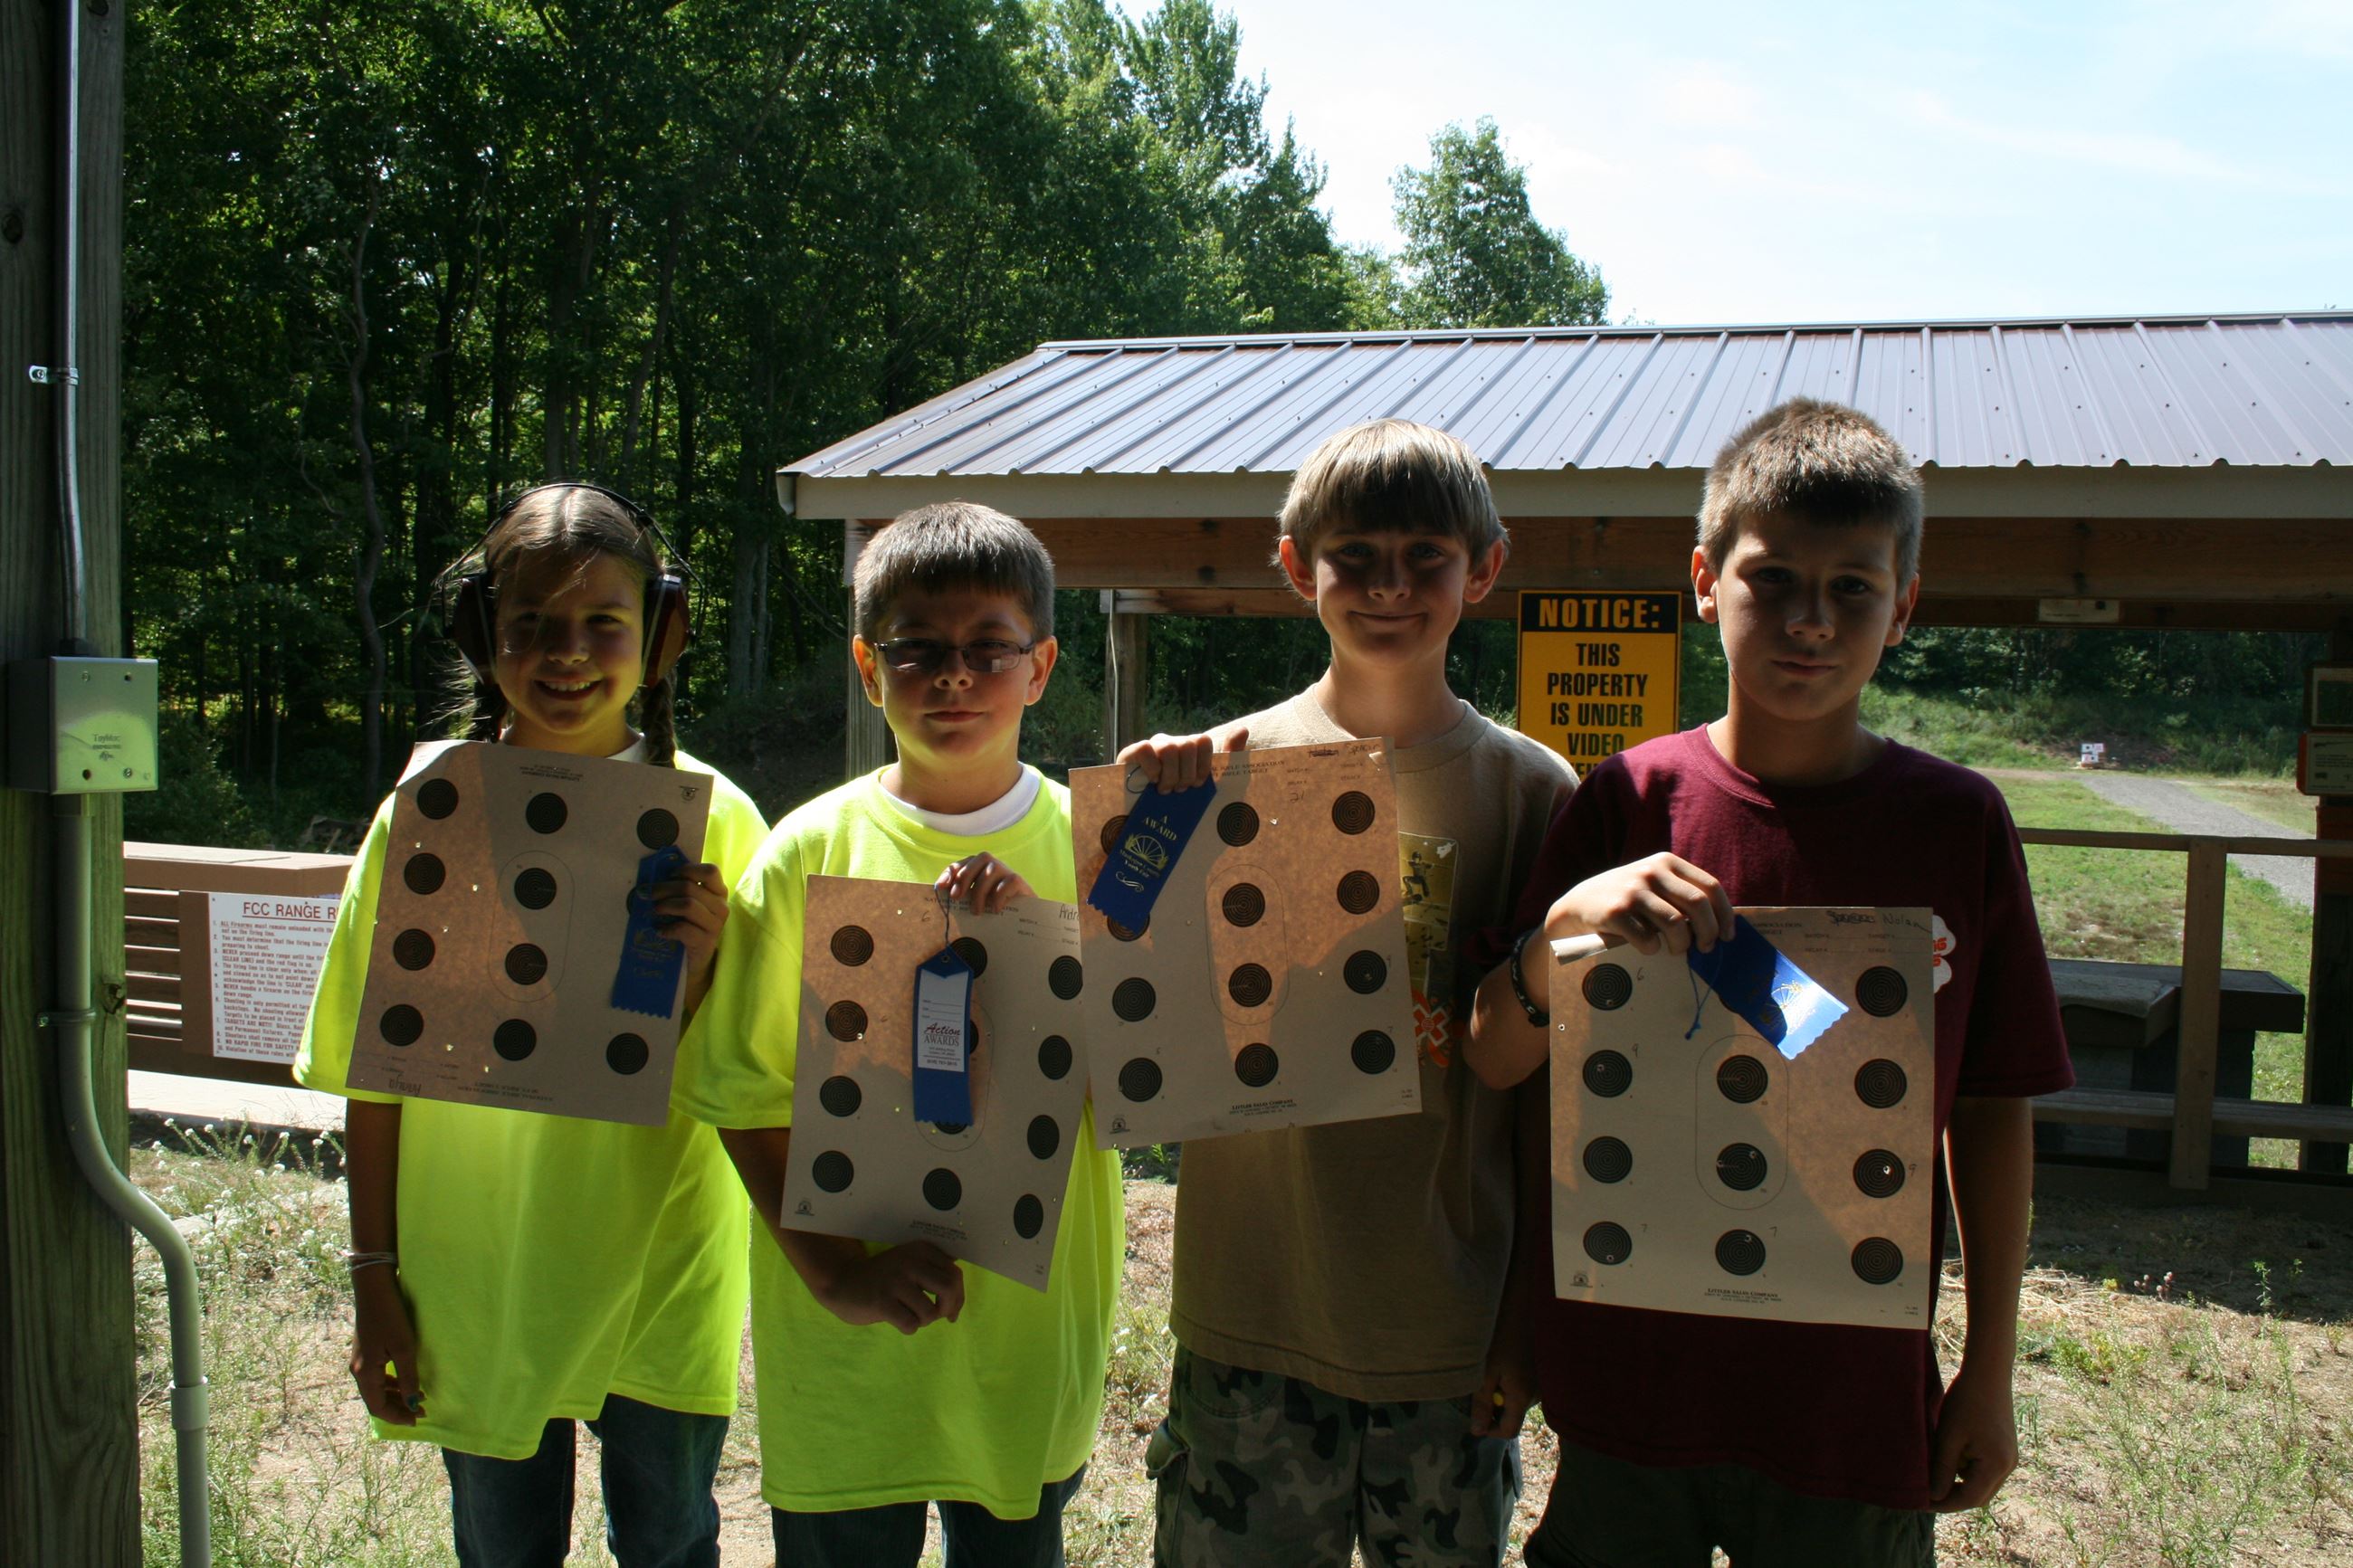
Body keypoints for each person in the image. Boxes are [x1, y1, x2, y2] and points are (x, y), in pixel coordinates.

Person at [1465, 398, 2074, 1567]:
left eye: (1852, 588)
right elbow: (1502, 1062)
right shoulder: (1623, 804)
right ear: (1705, 581)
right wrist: (1563, 929)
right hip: (1629, 1384)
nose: (1809, 619)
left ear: (1904, 605)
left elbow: (1992, 1104)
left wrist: (1987, 1369)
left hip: (1846, 1406)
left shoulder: (1957, 825)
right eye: (1774, 578)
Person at [1126, 419, 1576, 1567]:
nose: (1388, 585)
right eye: (1355, 555)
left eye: (1425, 556)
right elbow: (1132, 1009)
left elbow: (1551, 1099)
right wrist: (1144, 828)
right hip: (1253, 1311)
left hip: (1445, 1328)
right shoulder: (1213, 769)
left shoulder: (1533, 791)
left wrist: (1522, 1320)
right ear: (1295, 566)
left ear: (1484, 567)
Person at [296, 482, 769, 1568]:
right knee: (501, 1547)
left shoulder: (721, 821)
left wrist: (701, 965)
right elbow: (371, 1075)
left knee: (669, 1539)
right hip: (477, 1270)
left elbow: (743, 1071)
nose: (567, 652)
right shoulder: (427, 813)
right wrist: (372, 1276)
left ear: (661, 632)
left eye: (603, 621)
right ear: (482, 631)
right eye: (533, 623)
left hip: (660, 1265)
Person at [674, 500, 1124, 1567]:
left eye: (988, 648)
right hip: (845, 1354)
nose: (954, 675)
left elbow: (1140, 1080)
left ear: (1041, 665)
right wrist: (837, 1275)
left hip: (1023, 1340)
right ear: (868, 667)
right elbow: (741, 1092)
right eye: (917, 648)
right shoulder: (805, 851)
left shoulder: (1099, 850)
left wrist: (1038, 944)